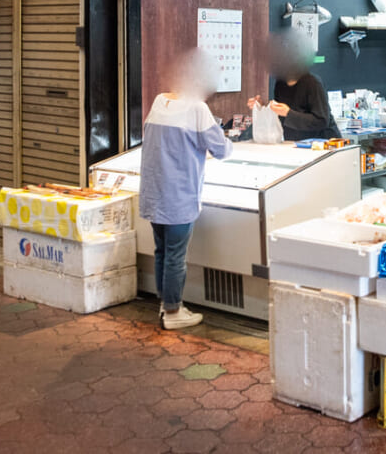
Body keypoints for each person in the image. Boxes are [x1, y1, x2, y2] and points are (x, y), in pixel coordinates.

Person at [139, 48, 232, 330]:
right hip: (179, 196)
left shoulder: (159, 101)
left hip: (154, 193)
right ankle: (173, 311)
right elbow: (221, 150)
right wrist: (228, 141)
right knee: (175, 257)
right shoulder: (197, 108)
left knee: (162, 252)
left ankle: (165, 302)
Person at [247, 30, 340, 141]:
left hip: (323, 143)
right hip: (295, 143)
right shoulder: (280, 83)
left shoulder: (312, 83)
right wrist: (263, 107)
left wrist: (288, 113)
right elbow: (281, 116)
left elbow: (321, 121)